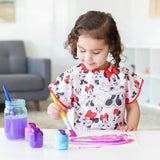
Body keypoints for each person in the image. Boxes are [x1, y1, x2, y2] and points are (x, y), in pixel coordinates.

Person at [47, 11, 144, 131]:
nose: (88, 58)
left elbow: (133, 108)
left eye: (96, 52)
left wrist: (131, 127)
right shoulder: (72, 76)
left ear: (111, 46)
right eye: (82, 50)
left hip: (116, 140)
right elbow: (61, 109)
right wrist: (54, 111)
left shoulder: (123, 77)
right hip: (84, 140)